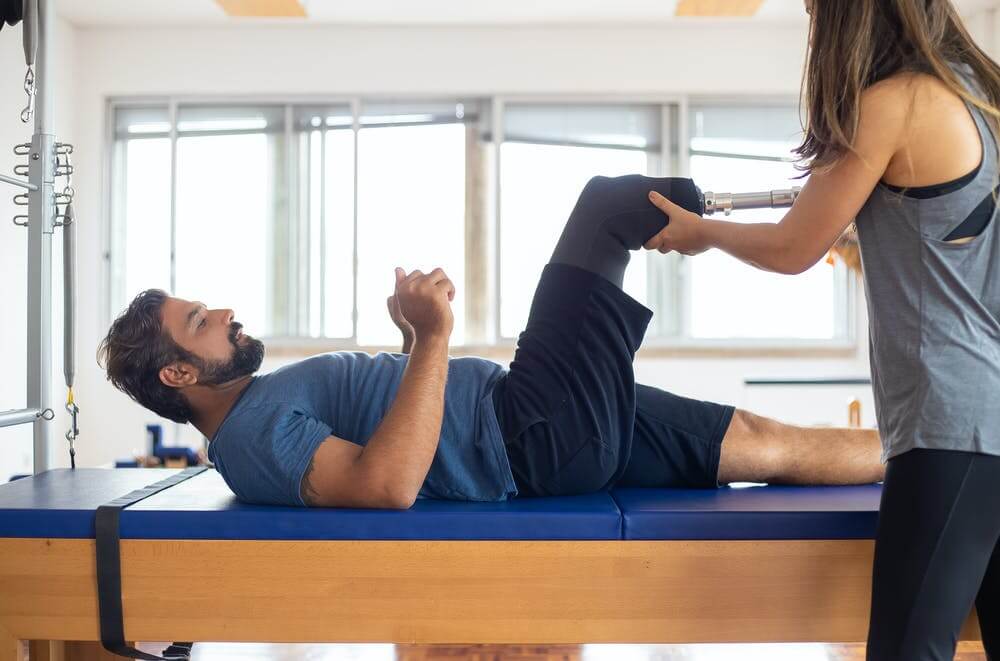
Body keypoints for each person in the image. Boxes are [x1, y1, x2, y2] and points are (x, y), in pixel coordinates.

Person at [99, 172, 882, 515]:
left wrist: (412, 341)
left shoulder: (258, 411)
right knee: (608, 206)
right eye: (201, 320)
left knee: (760, 440)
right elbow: (387, 485)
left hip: (536, 428)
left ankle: (926, 450)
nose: (226, 311)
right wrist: (435, 336)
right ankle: (811, 215)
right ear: (177, 370)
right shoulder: (252, 437)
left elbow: (397, 426)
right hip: (530, 428)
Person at [641, 1, 1000, 659]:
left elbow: (794, 247)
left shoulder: (895, 103)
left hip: (953, 422)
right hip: (988, 416)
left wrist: (702, 233)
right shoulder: (978, 94)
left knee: (906, 649)